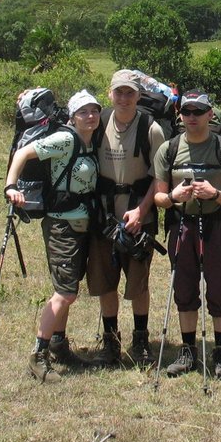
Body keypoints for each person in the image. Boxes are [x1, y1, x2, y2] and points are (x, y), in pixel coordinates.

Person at [4, 89, 102, 384]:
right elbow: (23, 153)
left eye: (94, 110)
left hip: (82, 224)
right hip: (61, 225)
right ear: (72, 116)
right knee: (66, 292)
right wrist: (10, 187)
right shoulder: (66, 139)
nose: (91, 116)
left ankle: (59, 345)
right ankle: (38, 355)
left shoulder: (90, 140)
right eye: (83, 111)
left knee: (68, 289)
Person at [152, 90, 221, 380]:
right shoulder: (167, 150)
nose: (192, 117)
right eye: (187, 112)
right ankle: (188, 351)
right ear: (180, 115)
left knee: (219, 288)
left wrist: (215, 193)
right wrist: (173, 196)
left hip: (217, 225)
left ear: (210, 115)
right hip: (182, 224)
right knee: (184, 289)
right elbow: (158, 198)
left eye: (198, 112)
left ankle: (220, 353)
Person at [87, 69, 166, 367]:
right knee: (105, 282)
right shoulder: (99, 122)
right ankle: (111, 343)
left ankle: (141, 341)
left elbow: (160, 178)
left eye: (129, 92)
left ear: (139, 95)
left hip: (139, 218)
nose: (123, 98)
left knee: (138, 284)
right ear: (109, 93)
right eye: (118, 92)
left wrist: (142, 211)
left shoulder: (151, 129)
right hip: (104, 218)